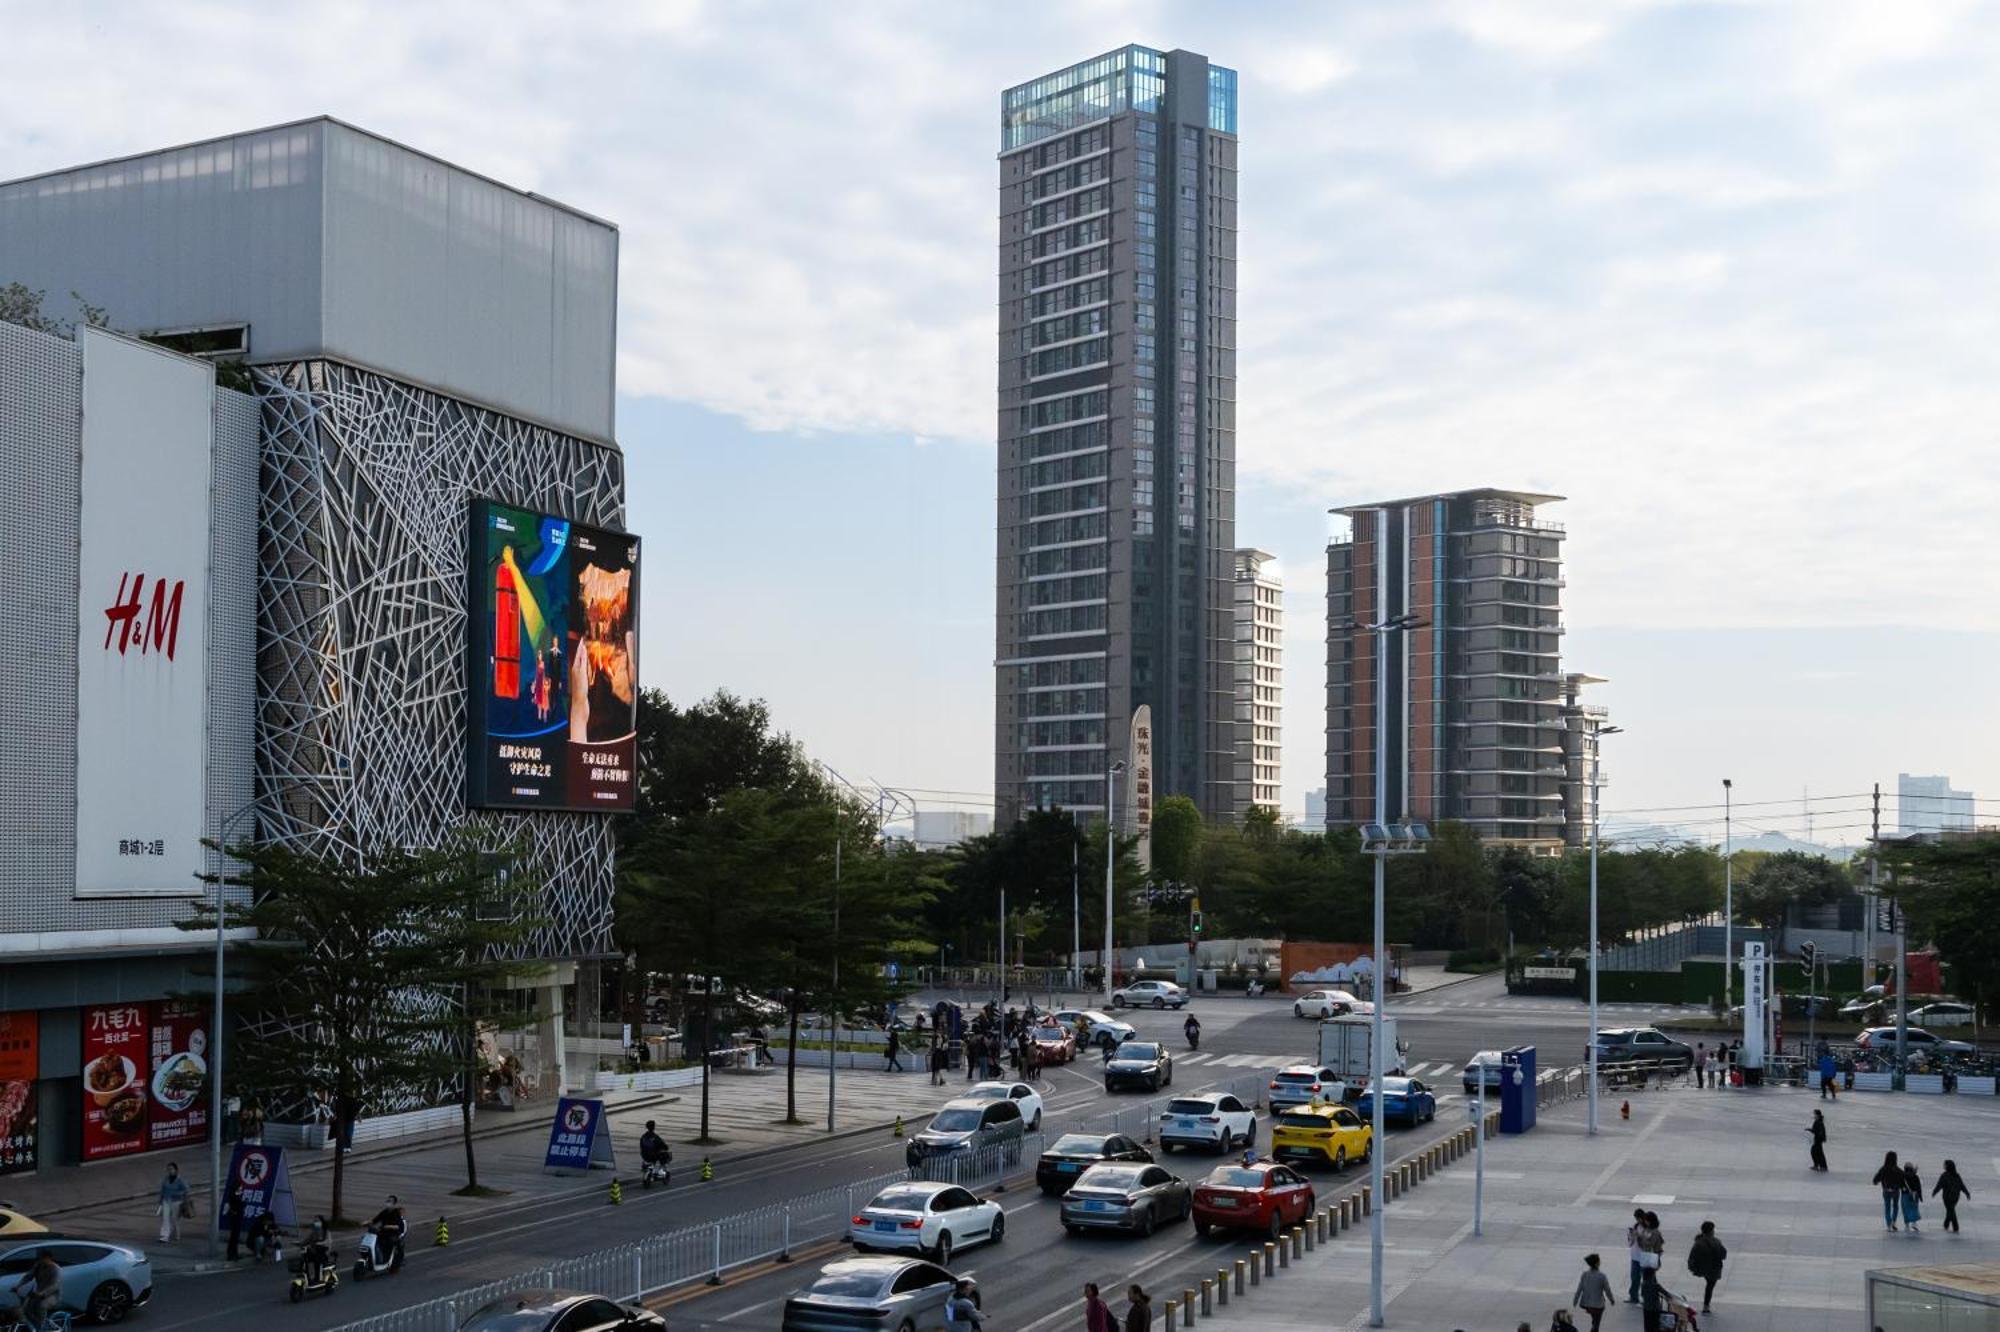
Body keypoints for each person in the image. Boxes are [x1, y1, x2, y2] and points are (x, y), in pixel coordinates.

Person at [1687, 1220, 1727, 1314]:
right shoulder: (1716, 1242)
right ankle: (1706, 1305)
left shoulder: (1698, 1242)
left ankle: (1706, 1305)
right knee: (1710, 1286)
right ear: (1711, 1231)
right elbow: (1723, 1255)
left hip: (1702, 1268)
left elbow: (1692, 1256)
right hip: (1714, 1269)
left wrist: (1692, 1268)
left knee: (1709, 1285)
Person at [14, 1252, 60, 1331]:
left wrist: (43, 1293)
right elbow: (28, 1276)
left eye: (43, 1259)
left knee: (41, 1306)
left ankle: (42, 1328)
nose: (41, 1261)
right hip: (38, 1293)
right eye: (40, 1259)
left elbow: (54, 1285)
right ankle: (36, 1325)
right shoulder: (38, 1266)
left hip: (52, 1295)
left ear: (49, 1258)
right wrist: (18, 1286)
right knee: (26, 1309)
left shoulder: (55, 1269)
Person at [1572, 1252, 1612, 1331]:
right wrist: (1611, 1299)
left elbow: (1579, 1289)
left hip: (1586, 1304)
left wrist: (1575, 1300)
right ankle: (1594, 1328)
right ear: (1597, 1264)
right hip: (1598, 1305)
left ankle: (1594, 1326)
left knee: (1595, 1318)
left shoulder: (1585, 1274)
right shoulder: (1602, 1276)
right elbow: (1607, 1290)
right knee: (1597, 1320)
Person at [368, 1194, 408, 1268]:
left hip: (393, 1234)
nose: (388, 1202)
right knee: (374, 1241)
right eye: (387, 1201)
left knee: (391, 1241)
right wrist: (367, 1222)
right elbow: (375, 1220)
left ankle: (397, 1259)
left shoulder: (396, 1213)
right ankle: (375, 1258)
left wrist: (389, 1226)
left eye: (390, 1201)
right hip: (383, 1233)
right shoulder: (384, 1212)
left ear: (394, 1203)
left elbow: (398, 1226)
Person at [1934, 1159, 1971, 1232]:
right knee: (1950, 1209)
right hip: (1955, 1196)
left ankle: (1955, 1226)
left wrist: (1935, 1192)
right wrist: (1967, 1193)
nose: (1943, 1166)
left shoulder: (1944, 1175)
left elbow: (1939, 1185)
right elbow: (1962, 1185)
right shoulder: (1957, 1175)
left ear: (1948, 1166)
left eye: (1944, 1164)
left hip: (1947, 1197)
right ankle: (1946, 1224)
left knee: (1951, 1210)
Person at [157, 1162, 189, 1243]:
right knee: (165, 1218)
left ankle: (177, 1234)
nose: (170, 1171)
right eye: (168, 1169)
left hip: (176, 1202)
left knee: (174, 1219)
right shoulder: (166, 1179)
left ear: (176, 1170)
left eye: (171, 1169)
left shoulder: (180, 1180)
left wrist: (178, 1194)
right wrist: (160, 1199)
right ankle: (164, 1236)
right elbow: (162, 1189)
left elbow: (186, 1190)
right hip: (166, 1201)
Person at [1874, 1151, 1904, 1231]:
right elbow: (1903, 1179)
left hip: (1886, 1190)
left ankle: (1889, 1224)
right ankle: (1894, 1221)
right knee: (1895, 1206)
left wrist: (1876, 1182)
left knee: (1887, 1208)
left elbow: (1876, 1178)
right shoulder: (1898, 1170)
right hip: (1895, 1191)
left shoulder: (1883, 1169)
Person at [1625, 1208, 1649, 1303]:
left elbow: (1646, 1243)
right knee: (1634, 1278)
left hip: (1644, 1257)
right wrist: (1631, 1235)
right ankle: (1633, 1296)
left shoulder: (1647, 1228)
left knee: (1646, 1279)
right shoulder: (1635, 1226)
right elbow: (1630, 1243)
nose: (1637, 1220)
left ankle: (1646, 1297)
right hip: (1635, 1256)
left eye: (1638, 1218)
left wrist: (1638, 1237)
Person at [222, 1181, 247, 1261]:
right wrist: (243, 1202)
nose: (241, 1189)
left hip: (237, 1217)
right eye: (240, 1187)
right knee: (234, 1237)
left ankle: (234, 1253)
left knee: (235, 1237)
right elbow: (239, 1204)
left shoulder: (236, 1194)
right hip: (235, 1217)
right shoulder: (234, 1195)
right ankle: (232, 1254)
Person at [1903, 1161, 1925, 1233]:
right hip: (1915, 1195)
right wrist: (1921, 1197)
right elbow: (1919, 1187)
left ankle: (1907, 1225)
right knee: (1914, 1208)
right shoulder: (1915, 1177)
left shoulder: (1903, 1176)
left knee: (1905, 1209)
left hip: (1905, 1194)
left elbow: (1900, 1185)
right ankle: (1914, 1223)